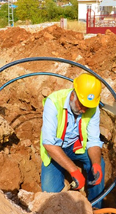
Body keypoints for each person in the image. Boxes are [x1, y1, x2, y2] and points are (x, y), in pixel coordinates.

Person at [40, 73, 105, 205]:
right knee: (50, 194)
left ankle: (96, 208)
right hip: (56, 150)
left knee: (99, 165)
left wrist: (96, 164)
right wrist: (74, 170)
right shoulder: (54, 102)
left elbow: (93, 141)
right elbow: (49, 144)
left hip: (77, 147)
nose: (83, 110)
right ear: (73, 95)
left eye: (87, 107)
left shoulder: (92, 107)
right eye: (81, 105)